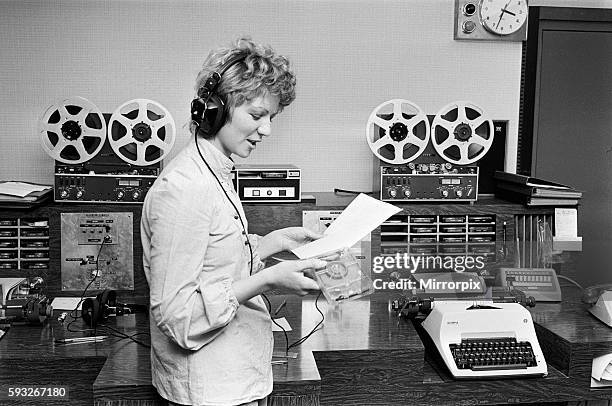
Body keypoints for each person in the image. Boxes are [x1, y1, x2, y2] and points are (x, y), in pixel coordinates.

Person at [140, 37, 326, 406]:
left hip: (234, 380)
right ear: (214, 110)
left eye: (272, 118)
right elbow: (179, 318)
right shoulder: (184, 189)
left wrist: (272, 242)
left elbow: (214, 265)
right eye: (257, 116)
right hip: (210, 390)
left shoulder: (215, 172)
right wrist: (269, 279)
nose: (267, 130)